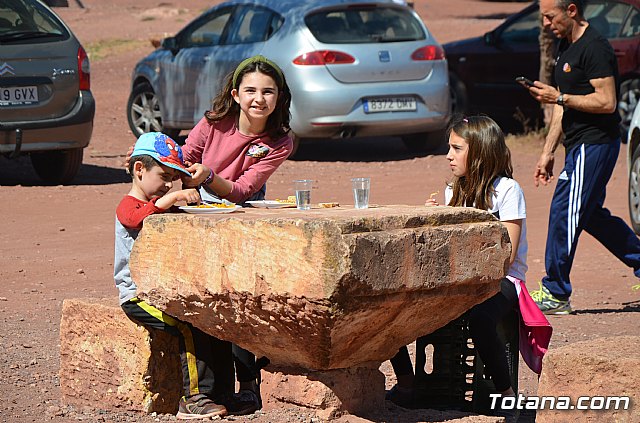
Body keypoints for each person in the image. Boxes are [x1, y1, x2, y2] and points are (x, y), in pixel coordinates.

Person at [125, 55, 294, 414]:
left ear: (280, 97)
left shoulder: (280, 140)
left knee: (242, 299)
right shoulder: (214, 122)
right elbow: (182, 159)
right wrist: (165, 165)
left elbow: (244, 189)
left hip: (239, 218)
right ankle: (210, 392)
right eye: (250, 90)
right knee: (209, 304)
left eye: (268, 91)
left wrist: (207, 178)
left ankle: (247, 383)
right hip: (197, 217)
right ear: (235, 94)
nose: (258, 98)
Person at [388, 116, 551, 422]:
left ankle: (506, 395)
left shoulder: (507, 191)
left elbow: (508, 254)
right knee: (394, 306)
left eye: (456, 148)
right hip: (461, 281)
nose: (448, 155)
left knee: (479, 318)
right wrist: (434, 221)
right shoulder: (453, 190)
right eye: (449, 147)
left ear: (480, 152)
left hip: (502, 280)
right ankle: (408, 382)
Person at [524, 0, 640, 314]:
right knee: (588, 215)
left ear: (571, 10)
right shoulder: (565, 47)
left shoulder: (595, 48)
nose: (546, 24)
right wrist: (547, 152)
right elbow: (563, 107)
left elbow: (607, 102)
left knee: (564, 210)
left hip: (597, 143)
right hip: (577, 145)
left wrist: (558, 96)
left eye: (550, 17)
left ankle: (556, 292)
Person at [115, 131, 233, 420]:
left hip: (159, 290)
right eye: (163, 175)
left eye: (173, 179)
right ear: (139, 170)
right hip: (136, 296)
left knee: (208, 321)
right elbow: (134, 218)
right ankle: (192, 398)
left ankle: (221, 393)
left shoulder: (157, 204)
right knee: (186, 327)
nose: (168, 184)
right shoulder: (129, 204)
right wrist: (172, 198)